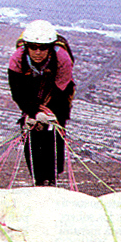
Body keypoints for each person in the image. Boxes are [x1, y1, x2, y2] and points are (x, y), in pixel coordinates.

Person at [8, 20, 75, 186]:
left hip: (57, 92)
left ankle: (52, 177)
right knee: (32, 130)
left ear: (50, 48)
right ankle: (38, 178)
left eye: (43, 48)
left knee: (54, 130)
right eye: (33, 47)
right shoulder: (17, 59)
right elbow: (18, 93)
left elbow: (61, 91)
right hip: (30, 90)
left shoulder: (62, 59)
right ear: (26, 47)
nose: (38, 52)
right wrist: (32, 112)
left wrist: (49, 113)